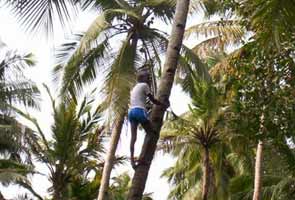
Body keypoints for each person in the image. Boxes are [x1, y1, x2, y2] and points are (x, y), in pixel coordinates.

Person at [128, 71, 169, 169]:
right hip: (139, 111)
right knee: (151, 133)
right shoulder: (144, 85)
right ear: (142, 78)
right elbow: (153, 100)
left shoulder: (135, 88)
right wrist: (163, 105)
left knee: (133, 138)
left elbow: (140, 100)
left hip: (131, 112)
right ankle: (142, 158)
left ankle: (132, 161)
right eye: (147, 77)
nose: (149, 79)